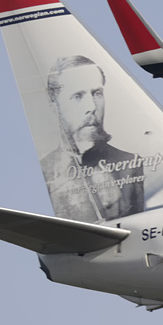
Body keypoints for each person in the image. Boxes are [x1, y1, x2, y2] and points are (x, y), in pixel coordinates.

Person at [39, 55, 148, 221]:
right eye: (77, 96)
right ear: (55, 108)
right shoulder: (47, 168)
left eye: (97, 94)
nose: (91, 107)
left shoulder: (130, 162)